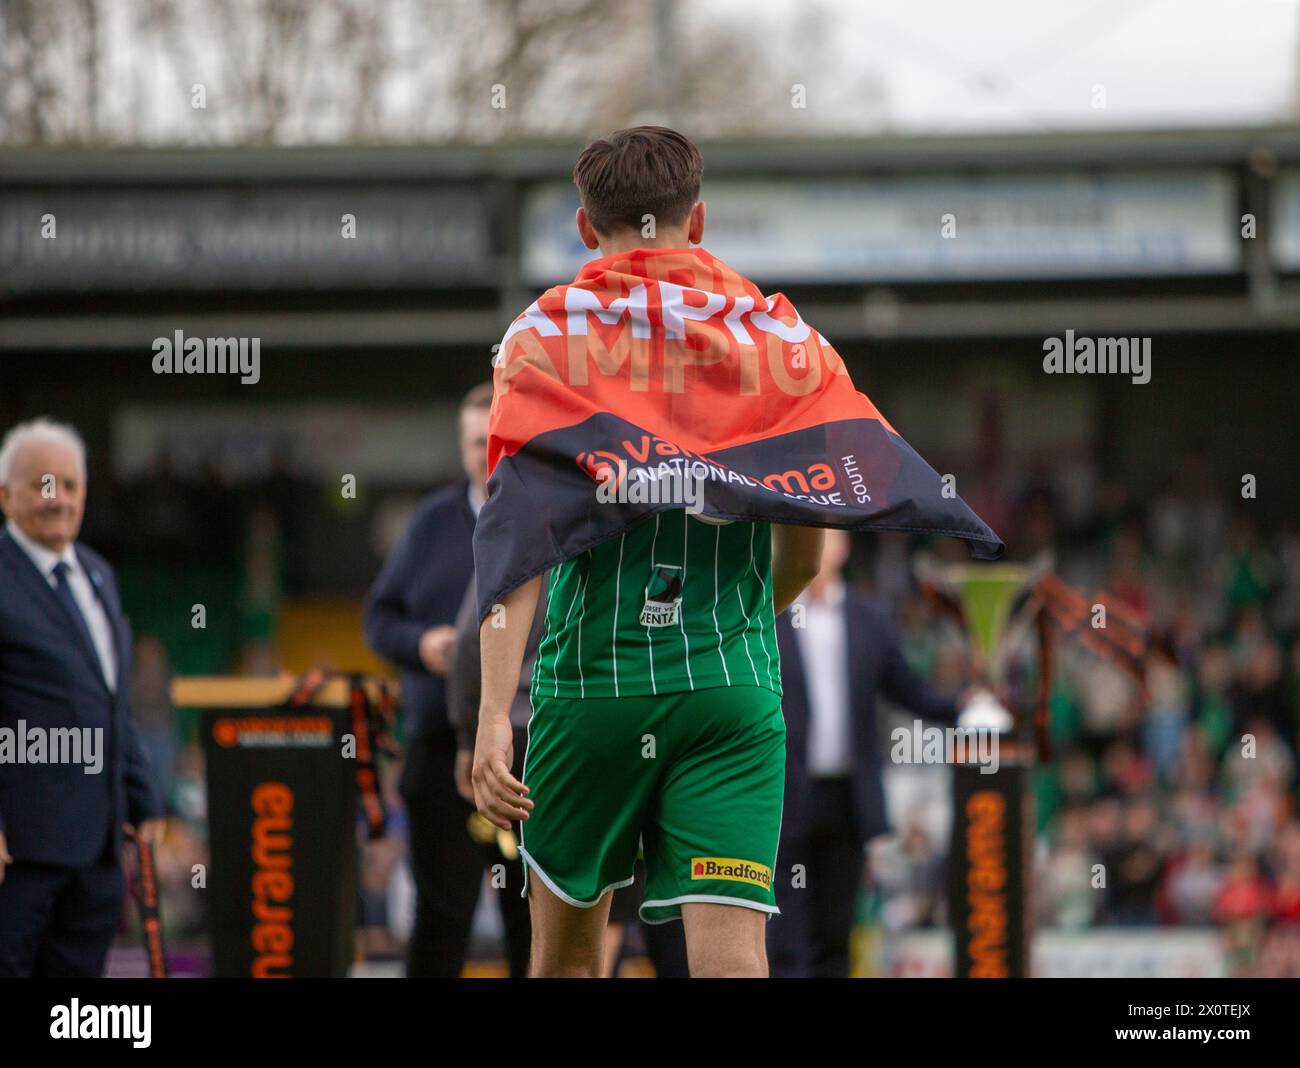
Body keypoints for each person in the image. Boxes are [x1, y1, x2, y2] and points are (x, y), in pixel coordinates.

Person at [471, 128, 826, 977]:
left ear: (587, 232)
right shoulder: (773, 337)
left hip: (593, 690)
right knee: (734, 959)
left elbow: (519, 547)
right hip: (730, 691)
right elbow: (809, 551)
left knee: (562, 962)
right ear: (694, 220)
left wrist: (491, 716)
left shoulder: (542, 341)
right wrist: (734, 624)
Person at [0, 417, 165, 976]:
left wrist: (143, 800)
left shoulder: (98, 575)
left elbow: (109, 700)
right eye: (43, 484)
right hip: (17, 855)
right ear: (6, 495)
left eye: (70, 486)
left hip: (96, 853)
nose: (59, 499)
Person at [769, 529, 966, 976]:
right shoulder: (769, 614)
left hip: (847, 798)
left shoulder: (868, 619)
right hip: (783, 796)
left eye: (828, 533)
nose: (818, 541)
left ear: (845, 546)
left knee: (838, 929)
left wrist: (966, 705)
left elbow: (908, 689)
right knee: (784, 928)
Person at [363, 382, 496, 977]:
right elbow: (378, 620)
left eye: (497, 440)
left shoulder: (553, 518)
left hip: (530, 750)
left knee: (538, 922)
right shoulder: (432, 523)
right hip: (441, 752)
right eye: (475, 442)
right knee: (441, 921)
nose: (486, 453)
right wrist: (422, 645)